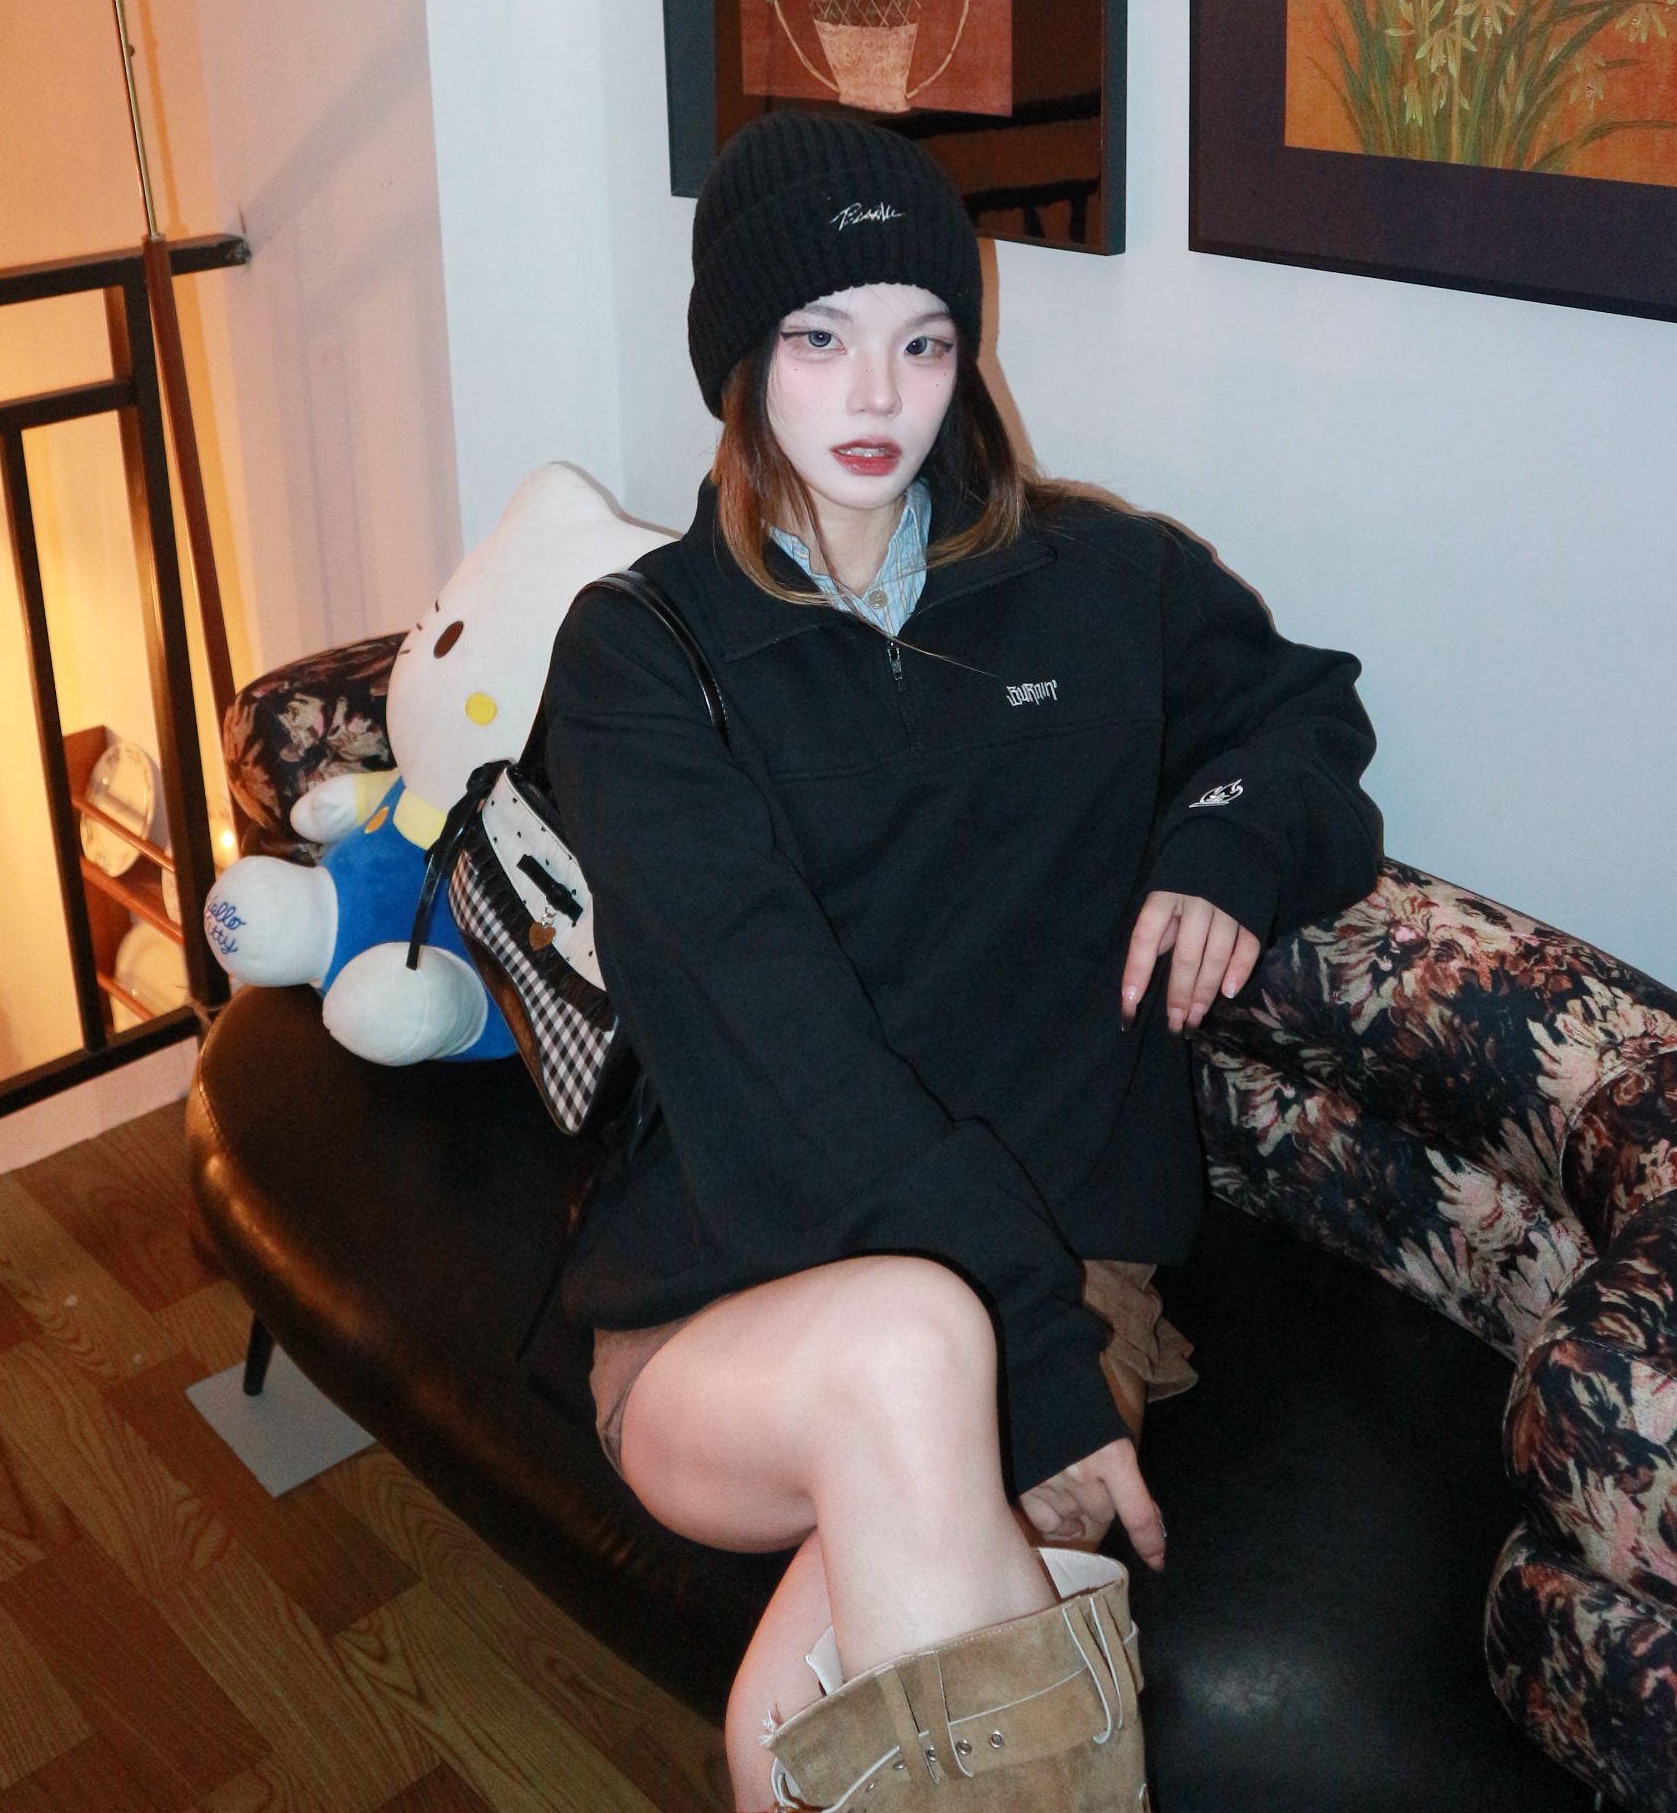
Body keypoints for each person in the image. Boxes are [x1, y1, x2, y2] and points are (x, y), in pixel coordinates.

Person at [543, 112, 1380, 1810]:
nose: (878, 395)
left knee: (783, 1750)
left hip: (1060, 1267)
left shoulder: (1097, 579)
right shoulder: (643, 655)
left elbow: (1303, 716)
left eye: (923, 340)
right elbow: (779, 1043)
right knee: (908, 1341)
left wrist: (1220, 840)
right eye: (819, 338)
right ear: (738, 361)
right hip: (733, 1303)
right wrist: (1033, 1362)